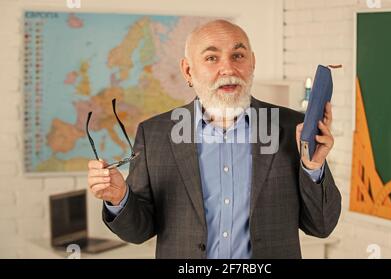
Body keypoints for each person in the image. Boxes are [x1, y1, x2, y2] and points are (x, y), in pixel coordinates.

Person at [87, 19, 341, 259]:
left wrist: (313, 168)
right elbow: (139, 231)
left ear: (252, 63)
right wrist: (120, 198)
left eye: (238, 56)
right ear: (188, 70)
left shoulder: (291, 128)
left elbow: (321, 225)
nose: (228, 68)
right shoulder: (155, 134)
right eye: (211, 58)